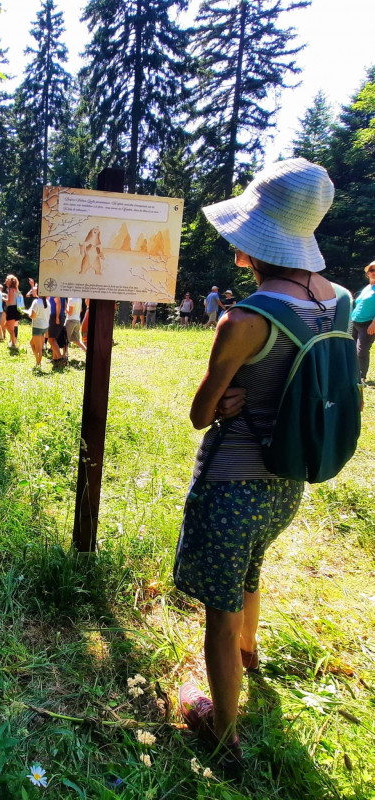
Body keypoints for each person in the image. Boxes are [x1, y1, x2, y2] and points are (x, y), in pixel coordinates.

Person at [173, 158, 341, 770]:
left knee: (217, 609)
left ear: (255, 240)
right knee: (251, 569)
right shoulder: (338, 301)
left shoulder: (243, 320)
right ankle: (250, 656)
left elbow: (201, 412)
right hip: (287, 481)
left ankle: (221, 732)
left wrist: (228, 398)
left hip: (231, 481)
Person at [351, 260, 375, 383]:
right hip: (354, 322)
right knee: (351, 349)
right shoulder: (367, 287)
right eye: (372, 270)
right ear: (367, 273)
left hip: (368, 324)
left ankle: (361, 378)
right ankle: (352, 374)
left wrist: (374, 324)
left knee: (361, 351)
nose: (374, 272)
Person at [28, 296, 51, 368]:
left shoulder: (36, 302)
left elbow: (33, 315)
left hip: (37, 327)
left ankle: (38, 365)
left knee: (38, 348)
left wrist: (28, 314)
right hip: (45, 326)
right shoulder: (47, 302)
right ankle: (38, 361)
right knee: (32, 343)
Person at [4, 275, 21, 348]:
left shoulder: (10, 290)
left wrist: (3, 299)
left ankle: (13, 343)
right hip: (17, 309)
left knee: (9, 328)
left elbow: (9, 301)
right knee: (10, 326)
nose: (6, 281)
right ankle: (13, 341)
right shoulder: (17, 290)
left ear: (10, 281)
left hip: (11, 309)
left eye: (7, 280)